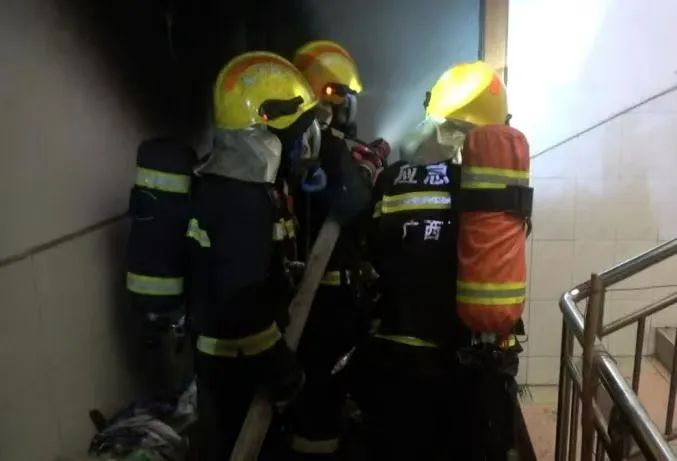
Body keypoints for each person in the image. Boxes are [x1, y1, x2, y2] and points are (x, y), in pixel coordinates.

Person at [354, 61, 518, 460]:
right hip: (455, 359)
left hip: (392, 346)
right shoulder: (482, 193)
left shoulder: (390, 178)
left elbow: (372, 248)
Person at [187, 51, 323, 460]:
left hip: (224, 365)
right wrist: (283, 371)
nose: (301, 143)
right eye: (294, 133)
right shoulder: (242, 202)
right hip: (239, 367)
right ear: (262, 129)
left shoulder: (223, 185)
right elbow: (240, 306)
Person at [283, 40, 390, 460]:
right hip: (325, 299)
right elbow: (353, 203)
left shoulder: (298, 142)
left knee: (316, 386)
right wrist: (367, 169)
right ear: (328, 95)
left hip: (307, 293)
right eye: (344, 96)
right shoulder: (323, 144)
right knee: (322, 390)